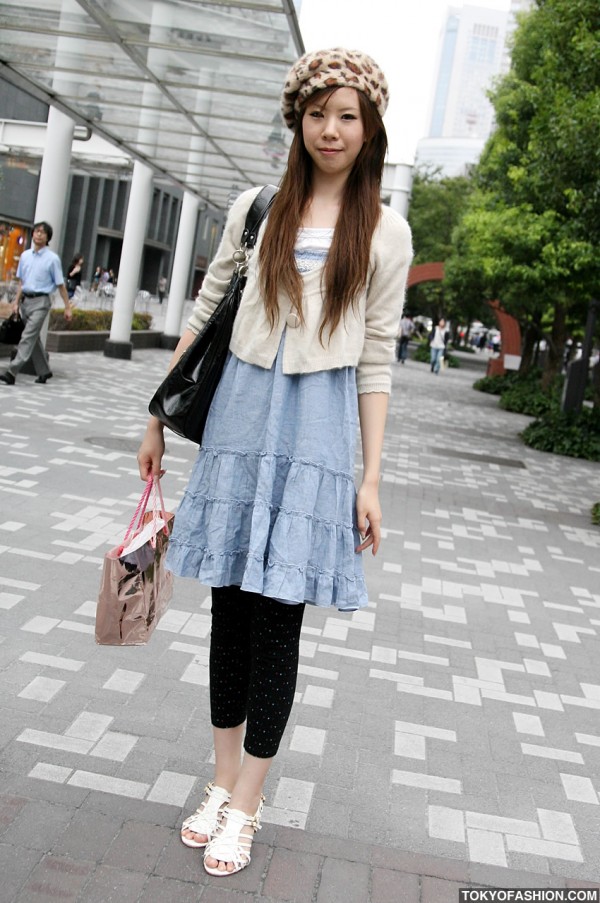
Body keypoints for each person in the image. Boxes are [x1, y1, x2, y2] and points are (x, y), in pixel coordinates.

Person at [137, 47, 412, 878]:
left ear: (370, 128)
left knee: (278, 623)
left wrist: (369, 477)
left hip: (317, 443)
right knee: (227, 615)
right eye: (318, 113)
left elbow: (377, 360)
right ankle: (221, 784)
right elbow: (207, 308)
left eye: (348, 115)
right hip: (237, 428)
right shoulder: (257, 208)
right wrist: (157, 411)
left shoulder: (387, 233)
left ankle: (249, 804)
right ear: (297, 118)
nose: (331, 129)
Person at [0, 221, 72, 385]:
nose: (39, 234)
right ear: (32, 234)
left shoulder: (53, 259)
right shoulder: (25, 256)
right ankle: (44, 371)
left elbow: (60, 285)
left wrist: (67, 307)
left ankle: (12, 371)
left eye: (43, 232)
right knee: (33, 338)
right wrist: (16, 302)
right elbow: (22, 282)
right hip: (25, 300)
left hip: (41, 302)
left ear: (48, 238)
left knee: (27, 336)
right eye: (36, 231)